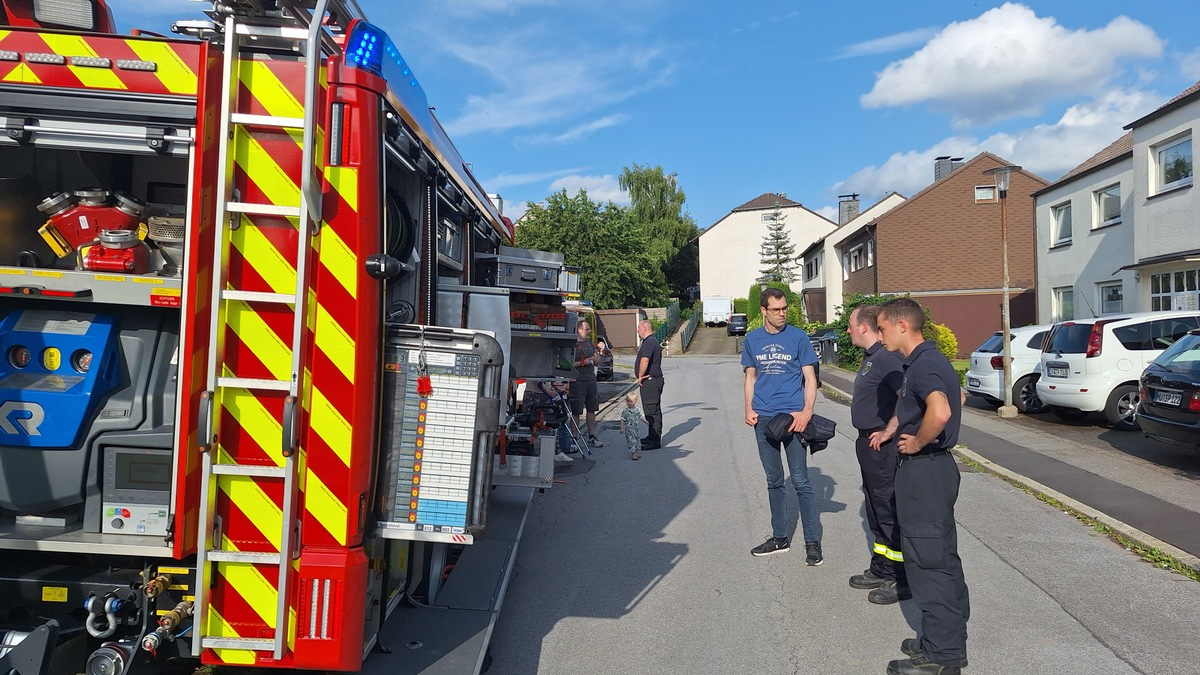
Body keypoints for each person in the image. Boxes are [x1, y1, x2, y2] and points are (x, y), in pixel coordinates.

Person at [871, 297, 968, 675]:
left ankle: (941, 657)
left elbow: (941, 410)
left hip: (924, 469)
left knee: (928, 562)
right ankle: (946, 642)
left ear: (901, 326)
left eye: (881, 328)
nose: (879, 336)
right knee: (942, 556)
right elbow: (957, 397)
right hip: (935, 472)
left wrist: (918, 441)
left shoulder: (924, 362)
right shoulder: (928, 360)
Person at [742, 288, 823, 564]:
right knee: (774, 480)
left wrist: (806, 413)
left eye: (784, 308)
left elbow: (810, 379)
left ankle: (813, 542)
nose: (782, 313)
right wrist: (748, 408)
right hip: (763, 417)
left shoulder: (798, 337)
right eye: (776, 309)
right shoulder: (752, 339)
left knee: (801, 481)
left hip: (793, 418)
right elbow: (751, 377)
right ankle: (779, 538)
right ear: (763, 310)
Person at [846, 305, 908, 604]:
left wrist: (889, 430)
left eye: (850, 325)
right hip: (867, 444)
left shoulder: (888, 358)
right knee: (874, 507)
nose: (847, 331)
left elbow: (905, 397)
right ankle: (881, 567)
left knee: (887, 508)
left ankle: (900, 577)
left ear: (863, 327)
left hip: (881, 446)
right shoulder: (873, 357)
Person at [570, 320, 604, 448]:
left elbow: (597, 362)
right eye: (587, 329)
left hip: (591, 379)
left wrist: (598, 355)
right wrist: (583, 362)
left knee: (592, 408)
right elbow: (568, 365)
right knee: (576, 410)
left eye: (589, 329)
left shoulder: (589, 344)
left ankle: (591, 436)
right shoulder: (573, 345)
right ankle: (574, 438)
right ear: (579, 330)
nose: (589, 331)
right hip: (578, 381)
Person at [635, 320, 664, 450]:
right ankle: (651, 436)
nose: (637, 331)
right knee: (650, 410)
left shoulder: (649, 342)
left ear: (646, 328)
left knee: (653, 411)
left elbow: (645, 359)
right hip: (652, 380)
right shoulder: (651, 341)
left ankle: (655, 440)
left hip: (651, 380)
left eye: (639, 328)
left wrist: (640, 376)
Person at [619, 392, 646, 461]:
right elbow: (622, 419)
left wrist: (647, 422)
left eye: (631, 401)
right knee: (631, 441)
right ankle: (633, 453)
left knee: (636, 440)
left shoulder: (637, 410)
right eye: (628, 401)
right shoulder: (625, 411)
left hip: (636, 429)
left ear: (635, 401)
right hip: (629, 429)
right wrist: (622, 428)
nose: (629, 403)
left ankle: (636, 452)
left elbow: (641, 417)